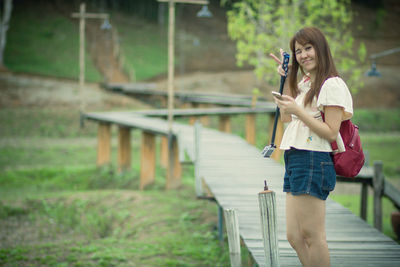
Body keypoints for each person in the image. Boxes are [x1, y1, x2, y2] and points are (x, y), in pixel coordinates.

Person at [270, 27, 353, 267]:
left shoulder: (331, 84)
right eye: (298, 51)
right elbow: (287, 118)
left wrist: (298, 112)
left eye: (308, 48)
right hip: (295, 157)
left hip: (314, 159)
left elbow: (331, 131)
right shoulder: (306, 83)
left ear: (320, 49)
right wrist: (285, 79)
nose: (303, 54)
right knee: (294, 236)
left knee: (312, 235)